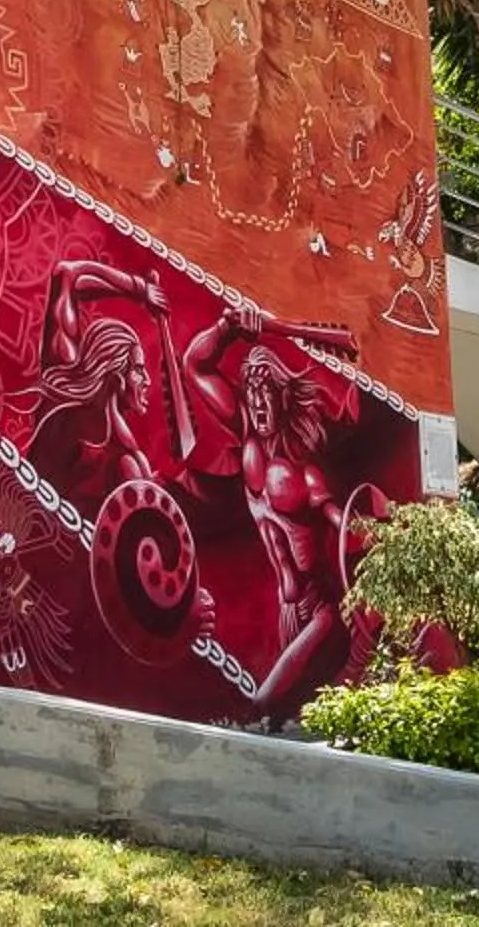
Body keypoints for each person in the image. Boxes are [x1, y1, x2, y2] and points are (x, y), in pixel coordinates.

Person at [178, 304, 365, 714]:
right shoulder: (248, 436)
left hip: (320, 614)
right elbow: (194, 363)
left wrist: (369, 532)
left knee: (261, 707)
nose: (259, 401)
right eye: (252, 391)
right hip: (287, 613)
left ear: (283, 395)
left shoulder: (305, 472)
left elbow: (342, 521)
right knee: (290, 720)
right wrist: (226, 327)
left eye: (267, 391)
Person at [28, 259, 185, 499]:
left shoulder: (62, 390)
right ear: (116, 376)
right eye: (138, 370)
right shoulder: (65, 395)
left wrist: (141, 290)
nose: (147, 380)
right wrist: (140, 288)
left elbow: (67, 274)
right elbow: (66, 273)